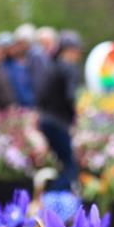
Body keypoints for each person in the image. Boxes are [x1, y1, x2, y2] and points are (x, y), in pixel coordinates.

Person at [36, 31, 83, 192]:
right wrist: (76, 115)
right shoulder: (69, 68)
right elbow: (71, 96)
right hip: (59, 123)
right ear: (71, 50)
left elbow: (40, 96)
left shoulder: (51, 67)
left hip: (46, 121)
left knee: (62, 163)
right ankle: (56, 204)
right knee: (70, 166)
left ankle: (51, 199)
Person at [5, 24, 36, 107]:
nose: (19, 47)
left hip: (30, 103)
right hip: (15, 104)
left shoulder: (31, 59)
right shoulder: (6, 65)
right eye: (18, 44)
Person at [28, 26, 58, 96]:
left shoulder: (56, 56)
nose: (45, 46)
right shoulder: (37, 57)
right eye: (42, 43)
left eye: (48, 43)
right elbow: (38, 81)